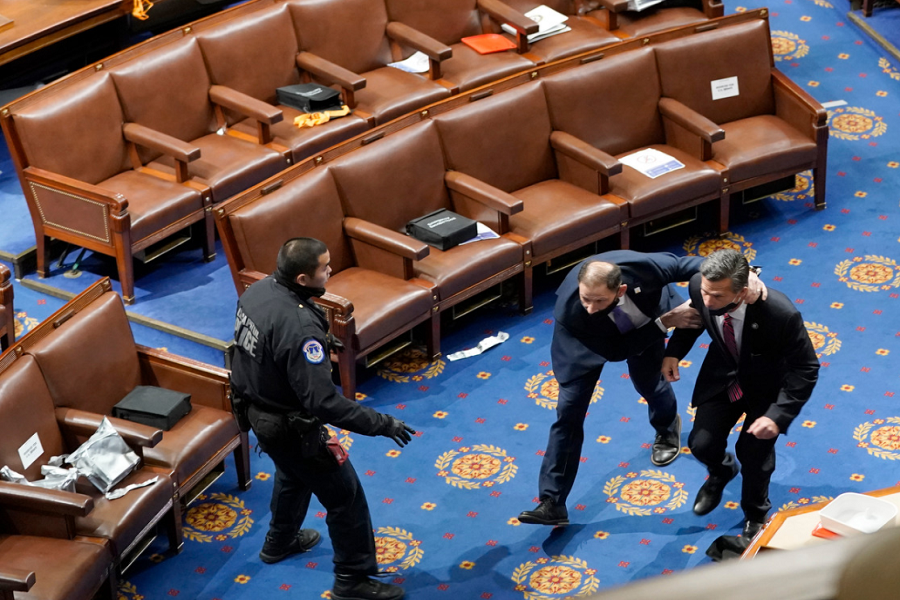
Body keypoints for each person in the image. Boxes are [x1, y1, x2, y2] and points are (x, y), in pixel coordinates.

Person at [230, 237, 416, 600]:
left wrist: (321, 339)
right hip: (290, 425)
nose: (330, 270)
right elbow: (323, 402)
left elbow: (268, 342)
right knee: (346, 497)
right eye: (324, 267)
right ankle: (353, 579)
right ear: (301, 279)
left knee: (292, 473)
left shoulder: (258, 290)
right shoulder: (300, 331)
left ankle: (279, 541)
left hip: (256, 411)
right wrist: (382, 424)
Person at [519, 250, 729, 526]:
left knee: (650, 384)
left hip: (644, 322)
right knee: (567, 417)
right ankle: (552, 502)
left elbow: (691, 265)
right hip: (583, 348)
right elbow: (617, 350)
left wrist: (737, 275)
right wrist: (665, 322)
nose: (591, 306)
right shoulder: (575, 311)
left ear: (621, 289)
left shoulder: (642, 267)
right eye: (586, 298)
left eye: (599, 300)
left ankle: (667, 427)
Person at [662, 249, 819, 540]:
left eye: (717, 297)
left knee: (753, 455)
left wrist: (778, 415)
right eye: (705, 293)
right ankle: (721, 472)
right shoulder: (702, 286)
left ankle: (756, 515)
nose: (707, 302)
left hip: (767, 389)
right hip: (723, 377)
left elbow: (806, 368)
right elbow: (695, 318)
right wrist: (674, 352)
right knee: (701, 444)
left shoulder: (780, 313)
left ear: (743, 291)